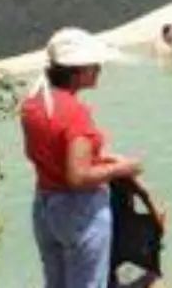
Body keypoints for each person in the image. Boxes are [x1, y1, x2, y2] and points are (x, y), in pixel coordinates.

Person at [21, 28, 146, 288]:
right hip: (79, 210)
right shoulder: (75, 112)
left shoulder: (33, 104)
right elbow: (78, 176)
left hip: (45, 206)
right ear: (77, 70)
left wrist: (102, 158)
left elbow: (51, 152)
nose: (99, 68)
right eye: (94, 65)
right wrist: (124, 168)